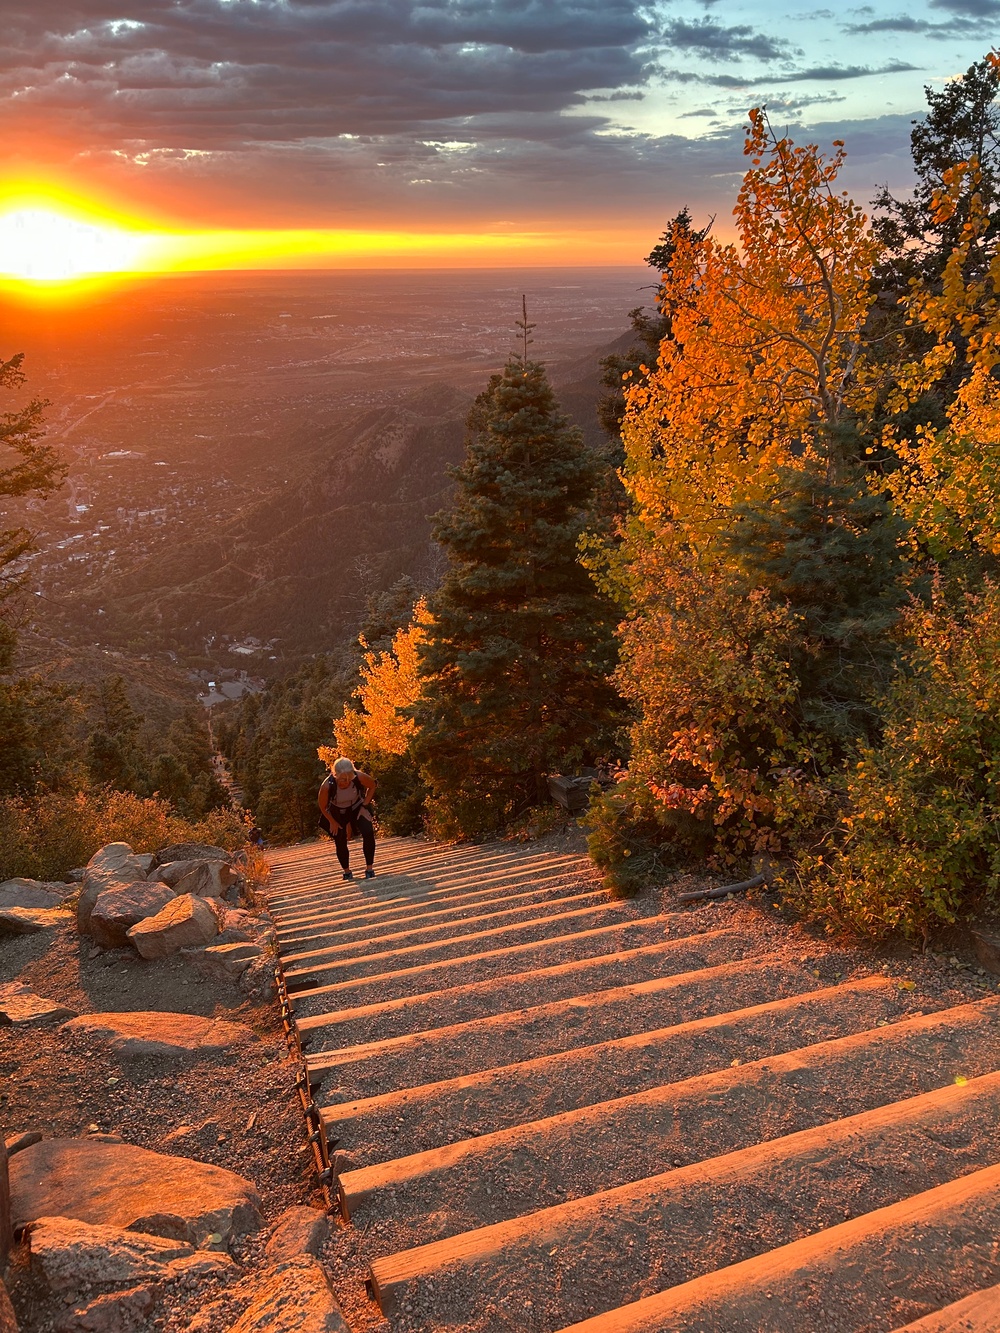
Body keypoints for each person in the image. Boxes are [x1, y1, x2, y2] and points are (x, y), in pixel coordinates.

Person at [318, 757, 377, 880]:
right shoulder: (327, 786)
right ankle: (347, 871)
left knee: (368, 831)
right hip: (337, 812)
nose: (344, 782)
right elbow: (322, 807)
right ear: (335, 775)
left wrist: (364, 806)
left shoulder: (358, 777)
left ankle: (369, 868)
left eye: (347, 779)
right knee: (340, 839)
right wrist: (332, 822)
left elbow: (372, 785)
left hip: (356, 808)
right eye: (341, 779)